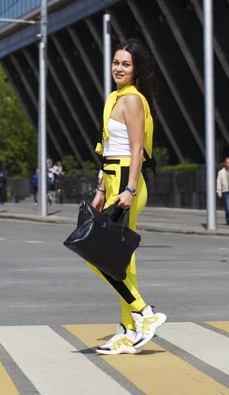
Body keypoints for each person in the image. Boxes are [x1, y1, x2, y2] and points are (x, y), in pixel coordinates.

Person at [90, 38, 166, 355]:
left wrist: (130, 189)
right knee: (122, 259)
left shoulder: (132, 100)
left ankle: (143, 313)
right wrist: (99, 188)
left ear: (135, 70)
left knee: (96, 251)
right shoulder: (115, 97)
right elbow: (107, 146)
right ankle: (128, 330)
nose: (119, 68)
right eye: (116, 62)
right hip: (111, 178)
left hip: (125, 179)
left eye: (126, 64)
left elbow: (136, 148)